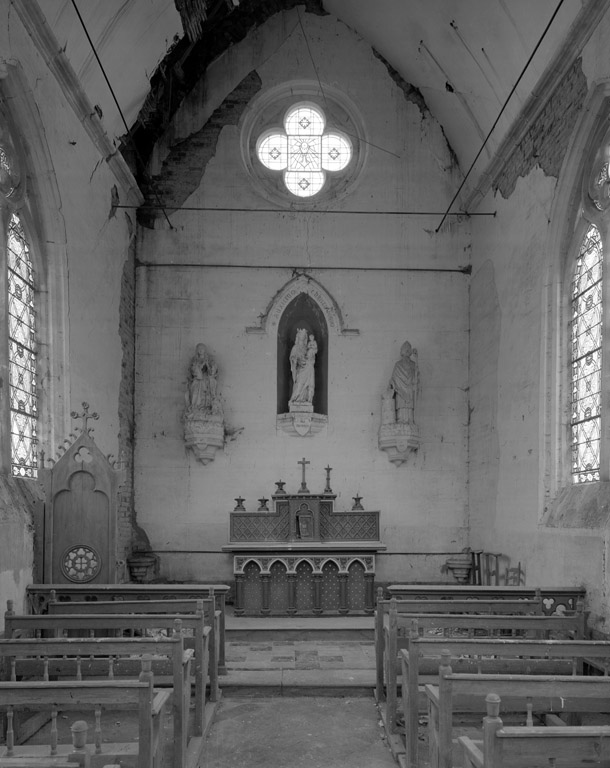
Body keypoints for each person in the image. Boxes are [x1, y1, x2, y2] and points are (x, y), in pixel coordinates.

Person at [389, 340, 419, 424]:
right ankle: (401, 421)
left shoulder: (413, 364)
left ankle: (410, 421)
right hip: (401, 391)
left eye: (408, 349)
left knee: (409, 408)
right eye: (405, 349)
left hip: (409, 389)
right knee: (401, 409)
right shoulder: (397, 364)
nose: (407, 351)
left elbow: (416, 377)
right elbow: (393, 379)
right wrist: (393, 384)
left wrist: (417, 359)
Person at [185, 343, 218, 412]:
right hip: (198, 378)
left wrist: (208, 366)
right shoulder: (195, 359)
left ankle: (207, 406)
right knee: (196, 383)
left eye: (202, 348)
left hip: (206, 377)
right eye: (199, 349)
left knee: (210, 381)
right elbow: (193, 370)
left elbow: (212, 370)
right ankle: (196, 405)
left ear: (204, 350)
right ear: (197, 350)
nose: (200, 350)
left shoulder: (208, 359)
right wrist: (202, 365)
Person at [289, 329, 317, 405]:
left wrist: (310, 357)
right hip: (300, 369)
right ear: (298, 336)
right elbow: (293, 358)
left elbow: (311, 356)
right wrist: (294, 360)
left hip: (307, 367)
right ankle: (296, 398)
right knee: (299, 383)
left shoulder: (306, 347)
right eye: (301, 334)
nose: (303, 336)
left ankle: (306, 399)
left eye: (304, 335)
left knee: (310, 369)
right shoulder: (295, 347)